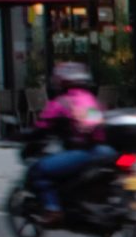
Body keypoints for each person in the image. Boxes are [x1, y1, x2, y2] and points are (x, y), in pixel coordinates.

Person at [27, 62, 106, 219]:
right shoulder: (90, 100)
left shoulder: (61, 103)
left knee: (39, 170)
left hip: (80, 152)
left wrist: (21, 136)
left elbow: (42, 127)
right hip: (100, 150)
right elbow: (98, 126)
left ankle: (52, 207)